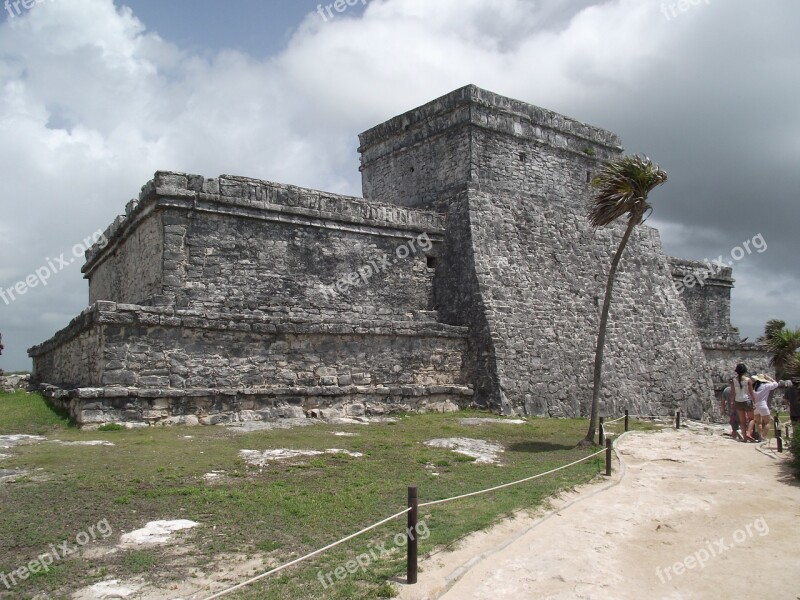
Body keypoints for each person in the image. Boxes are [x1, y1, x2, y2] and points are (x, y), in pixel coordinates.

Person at [751, 374, 779, 442]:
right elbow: (776, 384)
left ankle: (760, 436)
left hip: (755, 405)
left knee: (758, 422)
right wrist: (769, 378)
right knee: (767, 422)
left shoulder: (754, 387)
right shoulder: (766, 386)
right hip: (763, 405)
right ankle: (763, 437)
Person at [731, 363, 756, 442]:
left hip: (738, 401)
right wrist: (754, 402)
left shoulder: (734, 380)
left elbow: (732, 393)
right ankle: (748, 433)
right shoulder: (748, 380)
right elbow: (751, 392)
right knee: (752, 419)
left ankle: (744, 438)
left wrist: (732, 402)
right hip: (747, 400)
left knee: (742, 421)